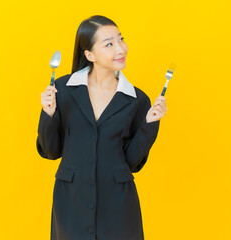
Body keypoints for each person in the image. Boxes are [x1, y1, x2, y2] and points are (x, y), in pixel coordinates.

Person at [37, 15, 167, 240]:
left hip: (117, 206)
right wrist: (48, 114)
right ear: (90, 55)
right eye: (109, 44)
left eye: (121, 39)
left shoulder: (136, 100)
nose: (121, 49)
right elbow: (51, 151)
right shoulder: (63, 90)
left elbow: (132, 163)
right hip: (71, 203)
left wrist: (150, 124)